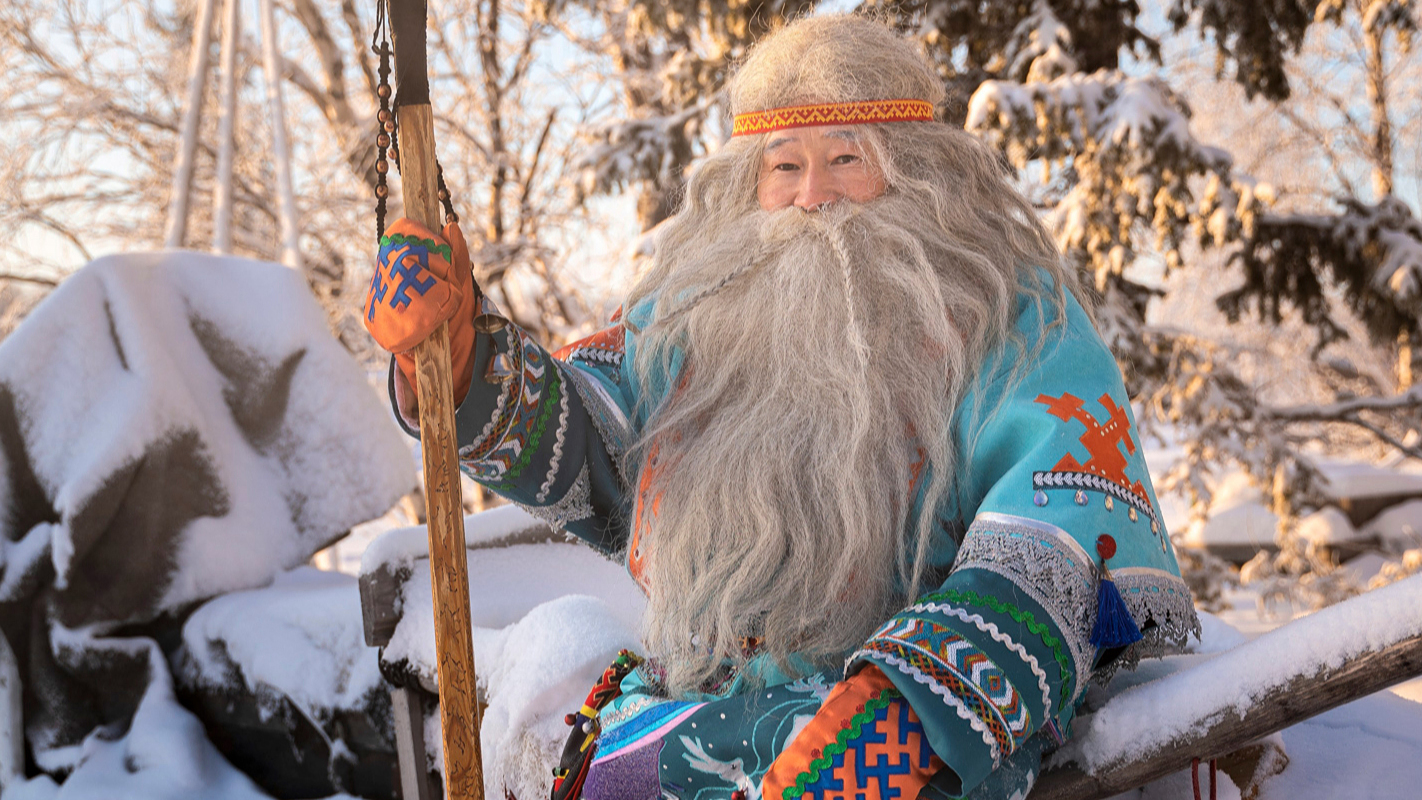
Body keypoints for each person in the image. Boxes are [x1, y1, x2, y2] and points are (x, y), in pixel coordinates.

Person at [363, 14, 1198, 800]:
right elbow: (591, 440)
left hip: (911, 730)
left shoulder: (1015, 318)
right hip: (702, 713)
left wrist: (905, 712)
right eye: (784, 167)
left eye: (846, 159)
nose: (813, 197)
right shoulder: (697, 312)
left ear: (921, 172)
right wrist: (465, 359)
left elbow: (1062, 522)